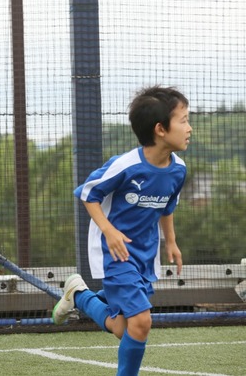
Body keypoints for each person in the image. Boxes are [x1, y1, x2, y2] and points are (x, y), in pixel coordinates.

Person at [52, 86, 191, 376]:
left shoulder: (178, 169)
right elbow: (87, 194)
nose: (190, 128)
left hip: (145, 256)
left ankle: (79, 295)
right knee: (142, 322)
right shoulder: (125, 166)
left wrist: (172, 242)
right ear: (160, 129)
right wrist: (109, 231)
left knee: (123, 327)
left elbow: (167, 207)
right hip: (113, 253)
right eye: (184, 120)